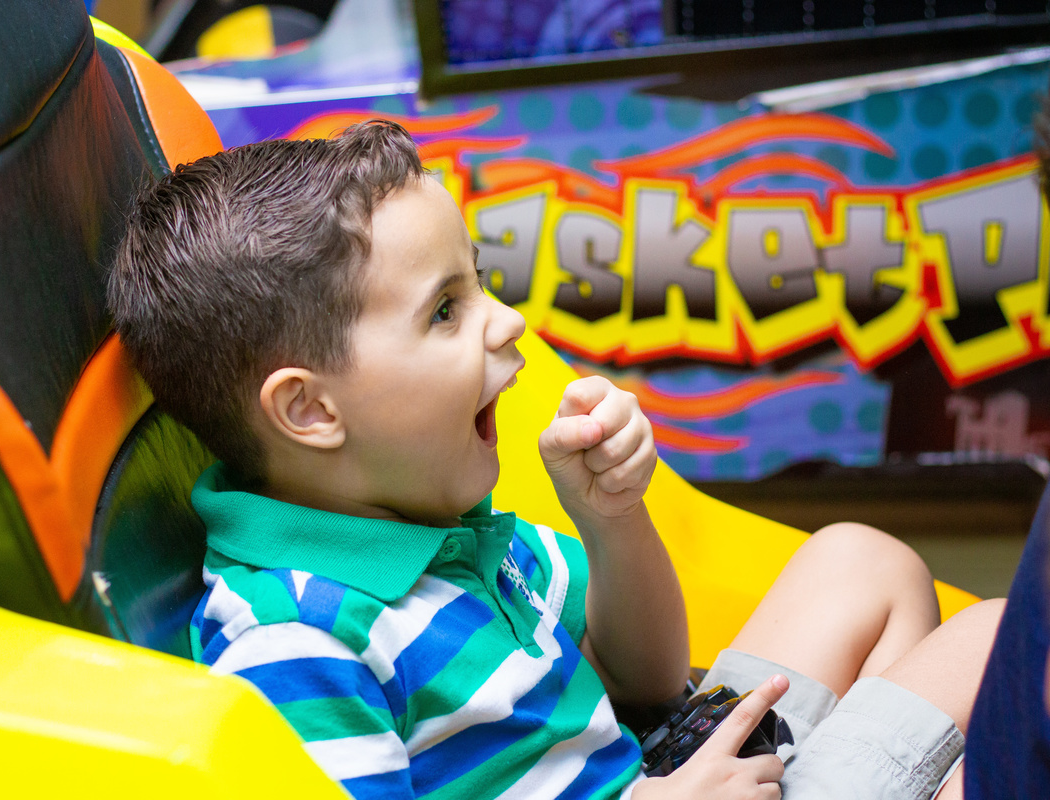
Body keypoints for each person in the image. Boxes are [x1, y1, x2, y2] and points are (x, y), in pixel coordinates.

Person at [108, 120, 1002, 799]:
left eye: (479, 282)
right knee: (1000, 642)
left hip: (659, 764)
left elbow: (649, 683)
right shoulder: (292, 640)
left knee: (861, 560)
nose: (508, 323)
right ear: (309, 408)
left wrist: (611, 519)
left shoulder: (448, 524)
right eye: (445, 311)